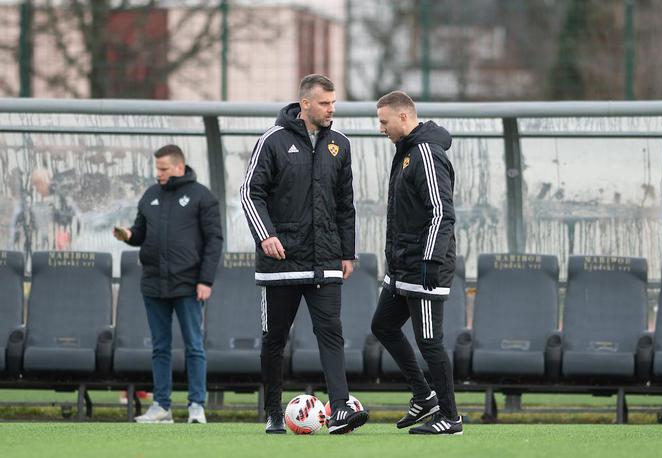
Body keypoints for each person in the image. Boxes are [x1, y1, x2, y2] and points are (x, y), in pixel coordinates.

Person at [240, 74, 367, 434]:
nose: (331, 109)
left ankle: (341, 408)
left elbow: (346, 204)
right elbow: (251, 193)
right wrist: (265, 235)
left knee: (331, 332)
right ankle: (274, 411)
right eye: (325, 103)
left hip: (325, 260)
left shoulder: (340, 144)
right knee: (275, 339)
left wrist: (347, 252)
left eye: (333, 103)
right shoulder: (272, 141)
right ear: (305, 104)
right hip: (281, 263)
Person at [370, 91, 463, 435]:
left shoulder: (425, 153)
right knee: (382, 325)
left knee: (430, 342)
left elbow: (442, 212)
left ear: (404, 117)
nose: (381, 128)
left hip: (425, 268)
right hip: (402, 267)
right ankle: (425, 397)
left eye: (384, 121)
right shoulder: (407, 153)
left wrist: (430, 258)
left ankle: (451, 417)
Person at [113, 144, 223, 424]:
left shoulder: (202, 197)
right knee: (159, 347)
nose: (158, 174)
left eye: (163, 169)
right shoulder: (150, 195)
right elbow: (140, 233)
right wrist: (127, 234)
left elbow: (214, 242)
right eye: (157, 169)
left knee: (194, 346)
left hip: (189, 284)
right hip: (153, 284)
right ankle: (162, 406)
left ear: (179, 167)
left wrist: (205, 280)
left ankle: (196, 406)